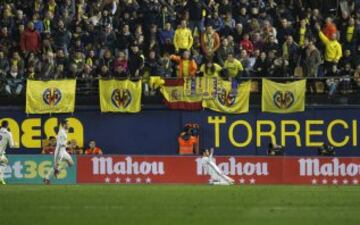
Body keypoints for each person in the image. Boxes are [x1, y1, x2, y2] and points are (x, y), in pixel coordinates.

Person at [43, 119, 74, 185]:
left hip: (64, 150)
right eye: (67, 124)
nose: (69, 125)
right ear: (63, 125)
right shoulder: (62, 132)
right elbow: (62, 144)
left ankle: (57, 171)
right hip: (60, 151)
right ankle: (46, 178)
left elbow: (58, 137)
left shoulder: (64, 131)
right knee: (56, 165)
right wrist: (69, 145)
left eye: (69, 124)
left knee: (71, 163)